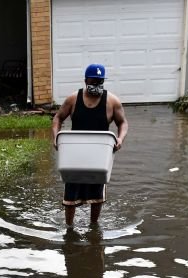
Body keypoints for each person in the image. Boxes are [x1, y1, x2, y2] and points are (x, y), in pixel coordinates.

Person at [51, 63, 129, 226]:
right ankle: (69, 228)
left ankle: (94, 226)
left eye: (100, 82)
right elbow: (58, 118)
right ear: (85, 80)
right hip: (75, 154)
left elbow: (123, 123)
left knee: (96, 195)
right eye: (93, 81)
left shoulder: (112, 101)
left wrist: (120, 139)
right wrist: (56, 137)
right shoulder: (73, 99)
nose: (96, 85)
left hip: (99, 156)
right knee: (71, 194)